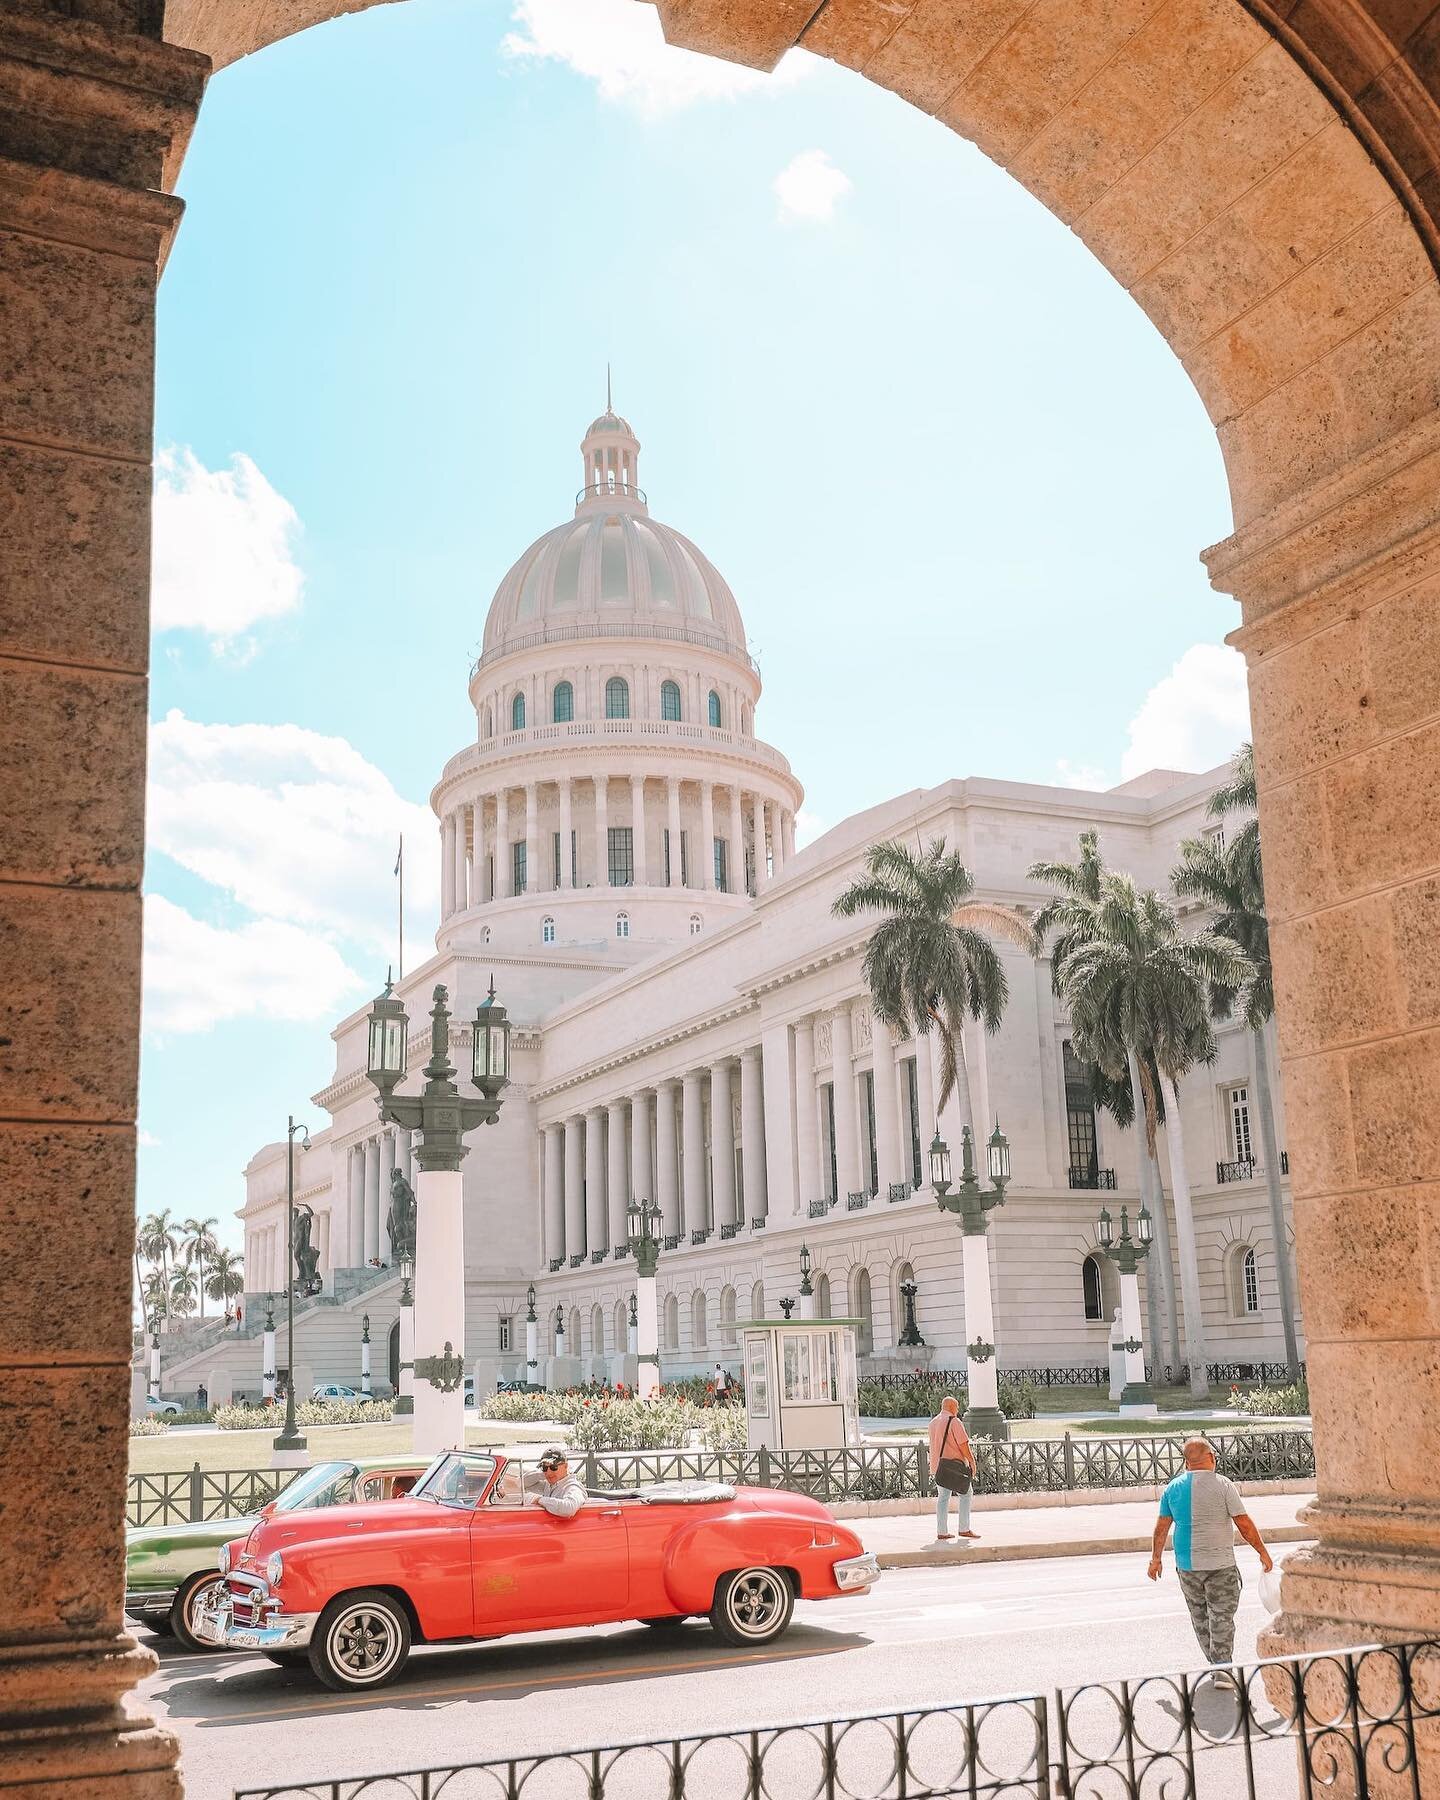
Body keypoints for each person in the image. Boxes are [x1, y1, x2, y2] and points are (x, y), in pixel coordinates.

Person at [1149, 1436, 1274, 1686]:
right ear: (1211, 1458)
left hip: (1187, 1566)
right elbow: (1243, 1523)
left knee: (1200, 1616)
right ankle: (1222, 1667)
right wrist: (1262, 1551)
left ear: (1186, 1463)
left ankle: (1216, 1663)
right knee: (1222, 1616)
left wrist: (1155, 1559)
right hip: (1220, 1565)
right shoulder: (1224, 1485)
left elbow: (1161, 1527)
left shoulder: (1173, 1488)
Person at [928, 1396, 978, 1543]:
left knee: (943, 1498)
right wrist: (972, 1461)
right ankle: (964, 1528)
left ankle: (942, 1532)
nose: (957, 1410)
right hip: (954, 1468)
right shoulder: (954, 1422)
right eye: (956, 1407)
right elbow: (963, 1444)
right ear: (951, 1407)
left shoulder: (933, 1423)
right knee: (966, 1494)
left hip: (938, 1467)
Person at [531, 1447, 587, 1518]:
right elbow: (522, 1484)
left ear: (565, 1466)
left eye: (553, 1467)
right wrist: (542, 1474)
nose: (548, 1472)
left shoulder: (573, 1487)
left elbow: (569, 1508)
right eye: (544, 1468)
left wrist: (540, 1500)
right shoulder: (548, 1485)